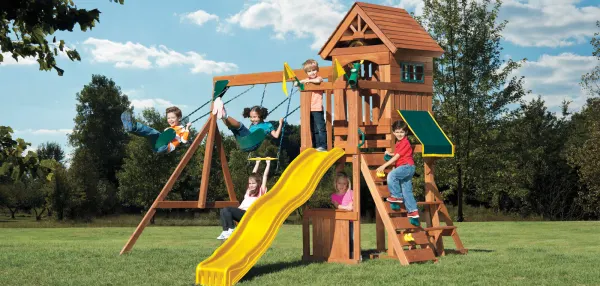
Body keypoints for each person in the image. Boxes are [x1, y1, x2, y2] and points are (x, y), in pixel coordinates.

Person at [375, 120, 419, 219]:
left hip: (406, 167)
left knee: (391, 175)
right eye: (397, 132)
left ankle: (396, 196)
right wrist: (389, 154)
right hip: (408, 168)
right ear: (394, 132)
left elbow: (397, 157)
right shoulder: (399, 142)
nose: (399, 134)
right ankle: (413, 211)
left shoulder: (405, 142)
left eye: (402, 132)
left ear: (406, 132)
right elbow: (397, 154)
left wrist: (383, 166)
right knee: (407, 190)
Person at [217, 160, 270, 240]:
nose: (251, 185)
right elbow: (252, 174)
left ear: (258, 183)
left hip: (248, 214)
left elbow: (265, 176)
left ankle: (232, 228)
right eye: (250, 184)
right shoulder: (249, 191)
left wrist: (268, 163)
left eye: (253, 184)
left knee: (227, 209)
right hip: (241, 213)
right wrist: (257, 163)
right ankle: (225, 231)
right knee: (223, 211)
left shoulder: (261, 191)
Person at [212, 98, 283, 151]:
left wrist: (280, 124)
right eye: (251, 117)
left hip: (253, 144)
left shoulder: (268, 125)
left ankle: (224, 114)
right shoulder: (252, 125)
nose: (252, 119)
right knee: (232, 126)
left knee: (240, 126)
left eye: (254, 117)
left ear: (261, 116)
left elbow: (276, 135)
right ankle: (222, 115)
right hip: (242, 144)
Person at [121, 106, 191, 153]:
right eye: (168, 118)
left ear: (179, 118)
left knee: (156, 133)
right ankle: (132, 128)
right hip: (156, 146)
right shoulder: (169, 128)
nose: (170, 120)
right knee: (149, 133)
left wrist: (187, 129)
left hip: (166, 147)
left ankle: (134, 127)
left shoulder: (182, 129)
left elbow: (184, 141)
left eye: (173, 118)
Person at [297, 59, 327, 151]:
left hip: (317, 108)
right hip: (308, 108)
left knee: (320, 128)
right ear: (306, 72)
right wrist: (300, 82)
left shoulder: (319, 78)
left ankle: (323, 145)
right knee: (312, 128)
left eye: (314, 70)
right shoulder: (306, 80)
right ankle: (316, 146)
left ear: (317, 70)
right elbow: (297, 84)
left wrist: (308, 81)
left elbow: (318, 81)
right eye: (309, 71)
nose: (312, 73)